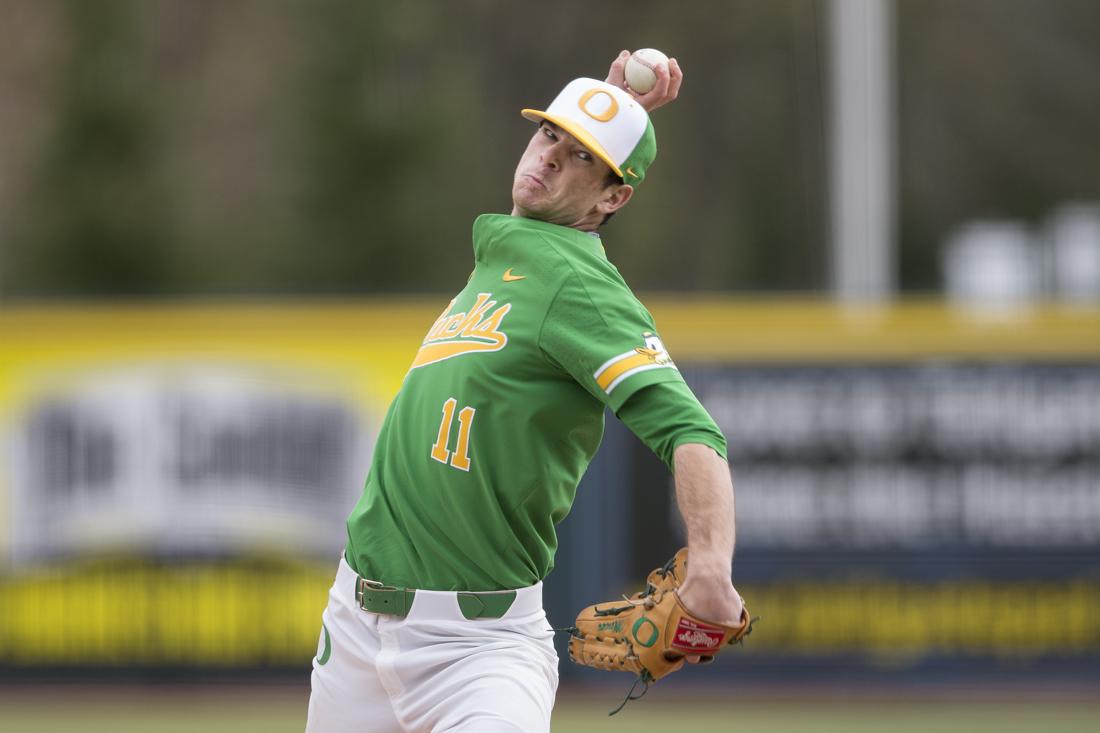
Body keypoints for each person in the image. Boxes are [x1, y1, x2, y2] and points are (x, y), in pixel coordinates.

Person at [305, 51, 743, 733]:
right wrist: (610, 115)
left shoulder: (581, 287)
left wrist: (711, 564)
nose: (547, 158)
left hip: (476, 654)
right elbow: (570, 171)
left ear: (613, 197)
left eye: (578, 158)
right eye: (548, 136)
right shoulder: (514, 250)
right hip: (353, 630)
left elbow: (692, 431)